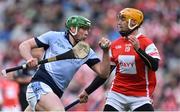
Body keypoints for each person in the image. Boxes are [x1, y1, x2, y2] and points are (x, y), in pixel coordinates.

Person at [18, 15, 111, 111]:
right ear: (72, 28)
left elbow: (104, 73)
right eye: (83, 29)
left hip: (54, 94)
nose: (87, 33)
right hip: (39, 86)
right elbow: (24, 45)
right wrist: (29, 58)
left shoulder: (86, 51)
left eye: (88, 30)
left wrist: (105, 51)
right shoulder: (53, 36)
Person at [79, 8, 161, 111]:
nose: (119, 23)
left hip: (140, 95)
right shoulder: (115, 44)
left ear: (133, 22)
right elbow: (105, 74)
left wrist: (138, 50)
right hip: (117, 94)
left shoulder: (147, 43)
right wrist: (87, 92)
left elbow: (154, 66)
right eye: (119, 20)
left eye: (123, 20)